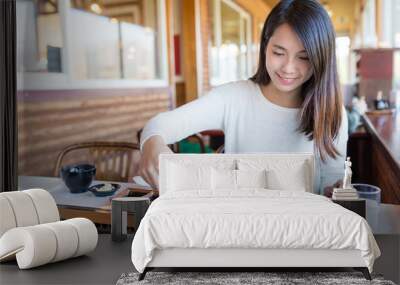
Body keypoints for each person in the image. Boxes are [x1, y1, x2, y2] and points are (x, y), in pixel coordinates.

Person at [138, 0, 347, 196]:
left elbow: (333, 184)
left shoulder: (332, 112)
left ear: (321, 58)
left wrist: (337, 190)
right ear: (265, 45)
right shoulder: (233, 98)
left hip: (302, 228)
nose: (288, 68)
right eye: (278, 52)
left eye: (304, 57)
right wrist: (152, 143)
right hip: (240, 224)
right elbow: (158, 126)